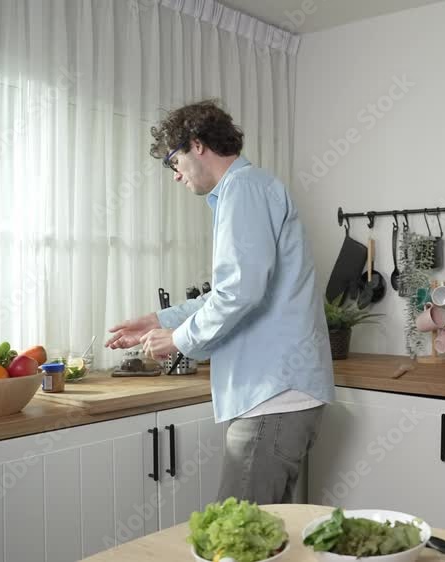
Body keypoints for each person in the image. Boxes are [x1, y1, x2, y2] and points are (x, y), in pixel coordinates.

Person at [105, 99, 334, 505]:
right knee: (266, 530)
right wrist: (159, 320)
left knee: (240, 532)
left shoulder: (242, 189)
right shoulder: (251, 188)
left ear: (196, 145)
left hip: (271, 395)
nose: (176, 175)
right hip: (276, 393)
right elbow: (234, 289)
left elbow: (240, 293)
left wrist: (178, 339)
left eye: (173, 162)